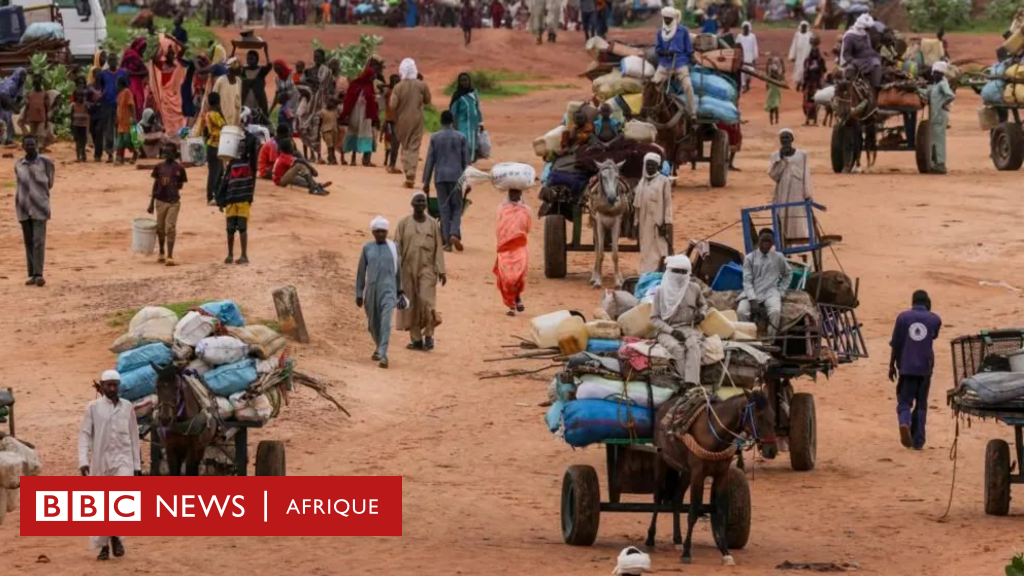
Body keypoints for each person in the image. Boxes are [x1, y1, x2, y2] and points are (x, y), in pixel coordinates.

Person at [79, 370, 141, 561]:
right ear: (103, 386)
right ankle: (105, 545)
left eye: (115, 384)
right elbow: (85, 434)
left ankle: (116, 537)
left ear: (118, 386)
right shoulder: (93, 407)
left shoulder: (127, 407)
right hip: (100, 461)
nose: (112, 388)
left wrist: (137, 465)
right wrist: (83, 461)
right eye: (109, 385)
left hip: (124, 461)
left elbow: (134, 436)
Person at [888, 290, 941, 450]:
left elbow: (896, 344)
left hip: (906, 366)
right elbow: (932, 336)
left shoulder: (903, 318)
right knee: (921, 404)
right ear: (927, 302)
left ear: (912, 301)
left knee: (904, 401)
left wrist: (891, 365)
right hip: (925, 367)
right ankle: (918, 441)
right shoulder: (935, 319)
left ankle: (904, 422)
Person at [396, 192, 448, 351]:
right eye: (417, 201)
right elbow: (397, 247)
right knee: (411, 304)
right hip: (407, 268)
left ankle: (429, 334)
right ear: (412, 203)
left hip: (427, 268)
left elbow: (439, 247)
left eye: (423, 201)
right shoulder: (403, 223)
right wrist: (395, 269)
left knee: (427, 302)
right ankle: (416, 339)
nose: (420, 204)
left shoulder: (433, 224)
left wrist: (442, 270)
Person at [356, 216, 406, 369]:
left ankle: (384, 355)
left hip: (389, 290)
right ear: (373, 232)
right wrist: (359, 292)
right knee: (373, 324)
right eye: (377, 232)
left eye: (383, 232)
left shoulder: (393, 248)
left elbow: (398, 271)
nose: (381, 234)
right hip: (371, 291)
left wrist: (400, 291)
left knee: (385, 322)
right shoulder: (367, 248)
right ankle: (379, 347)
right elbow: (361, 272)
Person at [651, 255, 706, 385]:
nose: (680, 275)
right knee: (677, 349)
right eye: (676, 271)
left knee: (694, 346)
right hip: (666, 331)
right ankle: (683, 383)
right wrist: (672, 331)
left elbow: (703, 305)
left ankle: (692, 385)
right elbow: (654, 318)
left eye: (684, 272)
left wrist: (702, 314)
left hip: (689, 328)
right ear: (669, 272)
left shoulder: (694, 288)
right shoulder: (660, 292)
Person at [423, 110, 471, 250]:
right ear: (452, 122)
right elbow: (466, 161)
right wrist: (468, 182)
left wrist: (426, 182)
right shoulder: (461, 137)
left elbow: (430, 160)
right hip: (456, 177)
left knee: (444, 209)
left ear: (441, 121)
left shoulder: (435, 137)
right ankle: (454, 233)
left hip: (440, 177)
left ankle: (447, 244)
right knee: (456, 207)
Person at [737, 228, 792, 338]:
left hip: (771, 292)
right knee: (741, 311)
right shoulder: (749, 258)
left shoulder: (778, 257)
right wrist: (752, 300)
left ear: (772, 243)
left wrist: (781, 290)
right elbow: (747, 281)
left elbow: (788, 273)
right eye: (763, 241)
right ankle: (747, 340)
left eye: (769, 242)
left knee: (775, 312)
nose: (766, 244)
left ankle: (770, 340)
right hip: (753, 291)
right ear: (759, 241)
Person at [15, 136, 53, 288]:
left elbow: (50, 182)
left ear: (37, 145)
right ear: (23, 146)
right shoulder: (18, 164)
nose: (30, 147)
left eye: (33, 144)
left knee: (38, 241)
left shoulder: (46, 162)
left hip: (40, 207)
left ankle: (39, 274)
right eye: (27, 144)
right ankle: (31, 274)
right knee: (29, 242)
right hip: (23, 207)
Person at [389, 58, 432, 187]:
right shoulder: (421, 85)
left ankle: (408, 171)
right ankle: (411, 172)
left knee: (405, 146)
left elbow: (392, 105)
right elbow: (428, 100)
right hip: (417, 120)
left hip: (401, 121)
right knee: (414, 146)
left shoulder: (398, 87)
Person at [218, 134, 257, 264]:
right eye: (238, 148)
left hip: (243, 199)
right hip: (231, 199)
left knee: (242, 227)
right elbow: (225, 181)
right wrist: (221, 199)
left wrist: (246, 132)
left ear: (247, 150)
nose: (241, 150)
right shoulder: (232, 163)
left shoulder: (250, 163)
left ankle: (244, 255)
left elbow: (253, 144)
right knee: (230, 229)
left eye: (243, 148)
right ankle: (229, 255)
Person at [769, 129, 812, 247]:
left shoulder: (802, 155)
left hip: (798, 193)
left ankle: (802, 249)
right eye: (782, 138)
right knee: (782, 219)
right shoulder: (775, 156)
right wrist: (781, 159)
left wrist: (808, 195)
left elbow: (806, 175)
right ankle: (783, 248)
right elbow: (773, 175)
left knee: (798, 221)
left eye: (787, 137)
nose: (785, 140)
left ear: (792, 139)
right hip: (782, 193)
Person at [147, 141, 187, 266]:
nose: (166, 154)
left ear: (174, 153)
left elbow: (180, 184)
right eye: (165, 152)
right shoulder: (159, 167)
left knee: (170, 227)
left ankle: (170, 255)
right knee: (160, 228)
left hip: (173, 202)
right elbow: (155, 185)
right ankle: (162, 251)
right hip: (160, 201)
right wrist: (151, 203)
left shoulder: (179, 168)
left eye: (169, 152)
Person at [652, 8, 696, 121]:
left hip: (680, 64)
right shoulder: (659, 32)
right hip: (664, 65)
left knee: (688, 86)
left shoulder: (683, 31)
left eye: (669, 19)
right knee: (653, 86)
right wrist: (666, 52)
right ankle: (651, 111)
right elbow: (657, 50)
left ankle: (692, 113)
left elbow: (689, 49)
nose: (666, 21)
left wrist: (692, 59)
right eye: (665, 18)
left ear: (674, 19)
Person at [494, 187, 532, 315]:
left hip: (519, 247)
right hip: (505, 249)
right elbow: (499, 228)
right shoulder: (503, 209)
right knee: (507, 279)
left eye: (517, 193)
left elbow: (527, 228)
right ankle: (511, 306)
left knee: (518, 277)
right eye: (513, 193)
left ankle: (517, 298)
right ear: (509, 194)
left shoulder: (525, 211)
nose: (515, 195)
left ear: (521, 194)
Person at [633, 152, 672, 275]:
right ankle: (646, 274)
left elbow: (668, 204)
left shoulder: (664, 181)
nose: (650, 168)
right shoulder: (642, 182)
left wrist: (667, 222)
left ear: (657, 166)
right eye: (648, 165)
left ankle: (658, 273)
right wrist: (636, 222)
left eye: (653, 165)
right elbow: (637, 206)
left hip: (658, 222)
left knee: (659, 249)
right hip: (644, 223)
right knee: (645, 249)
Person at [341, 58, 382, 167]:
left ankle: (365, 160)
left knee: (366, 135)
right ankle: (353, 159)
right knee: (355, 133)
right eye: (372, 76)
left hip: (365, 117)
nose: (373, 78)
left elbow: (372, 104)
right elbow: (348, 100)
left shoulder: (369, 86)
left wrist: (375, 117)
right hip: (356, 116)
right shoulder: (356, 85)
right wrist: (345, 114)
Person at [918, 61, 955, 174]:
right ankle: (935, 163)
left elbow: (950, 95)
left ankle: (940, 164)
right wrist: (917, 89)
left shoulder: (943, 84)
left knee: (939, 140)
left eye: (937, 73)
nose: (935, 75)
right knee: (934, 140)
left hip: (939, 115)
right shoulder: (935, 85)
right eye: (934, 73)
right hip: (935, 116)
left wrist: (943, 104)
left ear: (942, 74)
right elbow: (927, 93)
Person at [150, 47, 187, 137]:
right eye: (170, 53)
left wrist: (171, 38)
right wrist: (161, 44)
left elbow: (183, 48)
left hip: (176, 97)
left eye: (173, 53)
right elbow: (153, 58)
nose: (172, 55)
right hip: (166, 98)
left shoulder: (176, 66)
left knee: (179, 119)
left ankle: (178, 140)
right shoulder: (162, 65)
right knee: (168, 122)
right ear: (166, 54)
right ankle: (170, 141)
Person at [840, 14, 882, 91]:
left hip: (868, 58)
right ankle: (848, 91)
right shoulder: (850, 36)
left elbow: (868, 49)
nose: (868, 30)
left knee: (876, 64)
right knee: (850, 69)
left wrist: (876, 55)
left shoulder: (865, 34)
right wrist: (854, 61)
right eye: (867, 28)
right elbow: (846, 54)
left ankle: (875, 89)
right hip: (855, 59)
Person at [98, 55, 127, 162]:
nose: (112, 62)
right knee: (109, 129)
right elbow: (100, 87)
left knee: (120, 129)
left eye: (114, 59)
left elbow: (127, 87)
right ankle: (110, 153)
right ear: (108, 62)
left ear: (117, 61)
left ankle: (120, 153)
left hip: (120, 104)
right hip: (107, 104)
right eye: (110, 60)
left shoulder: (123, 73)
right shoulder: (103, 74)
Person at [449, 72, 482, 162]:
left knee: (474, 145)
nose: (465, 82)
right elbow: (453, 112)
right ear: (459, 82)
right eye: (462, 81)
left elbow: (478, 108)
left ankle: (470, 163)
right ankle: (464, 164)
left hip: (474, 125)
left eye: (466, 80)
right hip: (462, 125)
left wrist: (480, 123)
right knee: (465, 144)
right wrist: (454, 127)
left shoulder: (474, 93)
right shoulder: (457, 96)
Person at [203, 92, 226, 204]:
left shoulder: (208, 114)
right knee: (215, 172)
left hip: (213, 146)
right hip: (215, 146)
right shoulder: (215, 114)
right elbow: (223, 125)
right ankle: (211, 196)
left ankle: (216, 195)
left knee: (219, 171)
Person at [239, 46, 273, 123]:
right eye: (248, 59)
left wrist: (266, 51)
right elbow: (232, 67)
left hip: (258, 101)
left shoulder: (261, 71)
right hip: (245, 100)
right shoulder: (243, 71)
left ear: (257, 60)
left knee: (258, 118)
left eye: (251, 59)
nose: (249, 61)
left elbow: (269, 65)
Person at [121, 38, 149, 122]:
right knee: (135, 102)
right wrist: (139, 73)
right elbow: (126, 71)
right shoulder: (132, 56)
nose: (143, 51)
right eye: (142, 48)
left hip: (135, 83)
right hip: (133, 84)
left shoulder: (131, 54)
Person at [802, 37, 827, 126]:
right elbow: (805, 72)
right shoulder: (808, 60)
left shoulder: (819, 60)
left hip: (815, 82)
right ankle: (808, 119)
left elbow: (823, 70)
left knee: (815, 101)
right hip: (811, 82)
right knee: (808, 101)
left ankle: (813, 120)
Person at [0, 68, 27, 145]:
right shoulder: (10, 83)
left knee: (10, 122)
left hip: (9, 102)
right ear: (17, 75)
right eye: (21, 75)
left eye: (24, 75)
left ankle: (9, 139)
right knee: (2, 121)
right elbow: (3, 95)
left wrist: (16, 106)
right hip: (2, 100)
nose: (23, 77)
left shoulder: (21, 83)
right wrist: (13, 106)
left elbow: (20, 96)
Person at [114, 76, 137, 165]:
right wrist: (116, 119)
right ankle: (119, 158)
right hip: (121, 121)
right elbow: (118, 108)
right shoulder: (119, 94)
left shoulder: (127, 92)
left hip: (127, 121)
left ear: (120, 84)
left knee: (127, 140)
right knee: (120, 141)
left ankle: (135, 152)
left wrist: (133, 117)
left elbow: (131, 105)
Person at [213, 59, 243, 126]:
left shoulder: (238, 81)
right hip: (222, 117)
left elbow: (239, 99)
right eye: (239, 68)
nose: (241, 70)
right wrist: (220, 116)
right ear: (231, 69)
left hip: (235, 117)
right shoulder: (221, 81)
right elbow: (213, 100)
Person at [383, 73, 400, 172]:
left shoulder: (391, 91)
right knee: (394, 142)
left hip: (392, 119)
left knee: (393, 141)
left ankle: (390, 163)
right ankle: (391, 164)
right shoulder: (392, 92)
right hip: (391, 119)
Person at [71, 78, 91, 162]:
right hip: (76, 125)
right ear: (75, 96)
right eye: (79, 96)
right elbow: (71, 115)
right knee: (77, 141)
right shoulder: (73, 105)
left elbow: (90, 112)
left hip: (84, 125)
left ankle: (83, 153)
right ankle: (78, 156)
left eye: (82, 96)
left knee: (83, 141)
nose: (80, 97)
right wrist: (71, 125)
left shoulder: (86, 104)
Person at [789, 21, 813, 89]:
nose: (803, 28)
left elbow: (811, 46)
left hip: (806, 55)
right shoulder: (797, 34)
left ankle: (804, 84)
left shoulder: (810, 35)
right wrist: (792, 56)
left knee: (805, 70)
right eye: (803, 26)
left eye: (805, 26)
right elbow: (794, 45)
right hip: (799, 56)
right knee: (798, 69)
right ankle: (798, 84)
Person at [25, 76, 48, 142]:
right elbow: (27, 106)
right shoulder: (29, 94)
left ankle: (39, 149)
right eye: (36, 84)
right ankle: (35, 148)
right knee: (33, 135)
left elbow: (47, 107)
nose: (37, 85)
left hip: (41, 118)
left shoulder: (44, 93)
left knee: (40, 135)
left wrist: (47, 118)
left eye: (38, 84)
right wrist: (25, 117)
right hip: (32, 117)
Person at [738, 21, 759, 93]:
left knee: (750, 73)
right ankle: (743, 86)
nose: (746, 29)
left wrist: (755, 57)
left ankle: (747, 84)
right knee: (742, 73)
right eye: (744, 28)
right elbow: (736, 46)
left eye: (747, 28)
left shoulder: (752, 36)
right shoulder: (739, 36)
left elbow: (755, 47)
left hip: (750, 57)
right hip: (742, 58)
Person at [321, 96, 341, 165]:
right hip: (326, 130)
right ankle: (331, 160)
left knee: (333, 146)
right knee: (330, 145)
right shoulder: (323, 111)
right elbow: (320, 122)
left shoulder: (335, 111)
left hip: (334, 130)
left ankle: (332, 158)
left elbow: (337, 120)